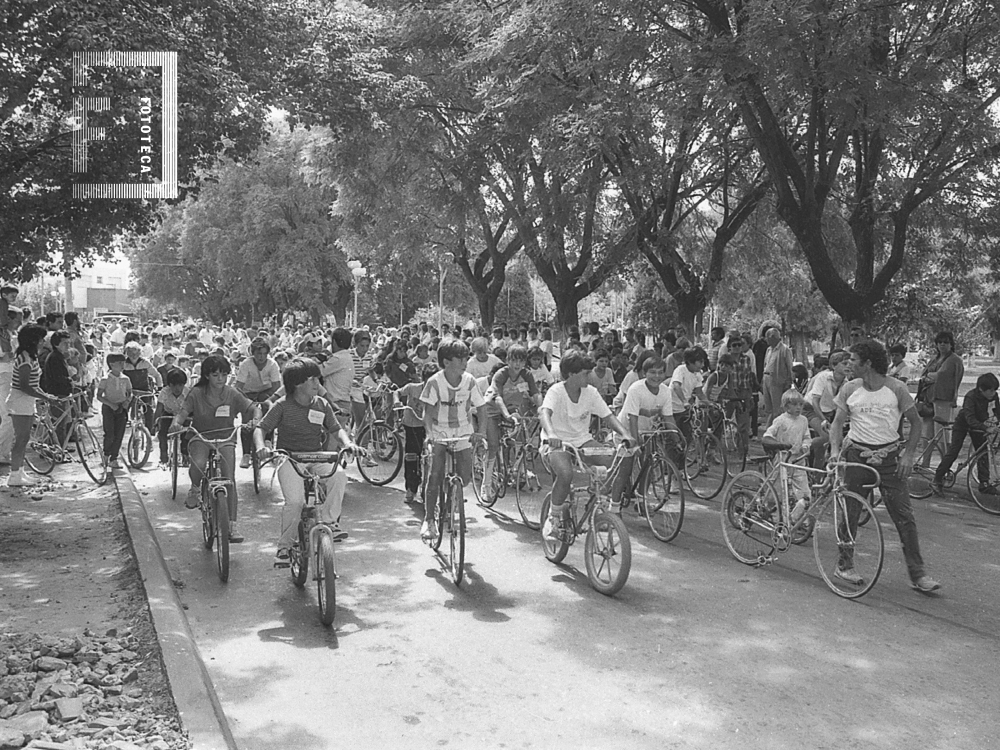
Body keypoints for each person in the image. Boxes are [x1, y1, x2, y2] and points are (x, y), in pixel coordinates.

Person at [830, 339, 941, 594]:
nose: (849, 365)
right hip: (857, 455)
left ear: (868, 363)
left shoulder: (896, 388)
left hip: (890, 459)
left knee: (904, 517)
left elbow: (915, 423)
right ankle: (844, 565)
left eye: (854, 361)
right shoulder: (849, 389)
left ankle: (918, 574)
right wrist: (835, 451)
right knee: (851, 512)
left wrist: (908, 455)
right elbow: (837, 423)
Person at [254, 357, 358, 565]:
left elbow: (336, 430)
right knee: (295, 502)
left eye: (317, 379)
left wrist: (348, 444)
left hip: (316, 457)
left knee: (338, 476)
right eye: (311, 379)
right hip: (290, 459)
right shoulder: (282, 406)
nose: (316, 384)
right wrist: (261, 447)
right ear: (296, 384)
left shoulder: (322, 404)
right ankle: (284, 547)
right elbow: (261, 428)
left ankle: (330, 522)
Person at [539, 351, 633, 540]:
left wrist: (625, 434)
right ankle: (553, 518)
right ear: (571, 374)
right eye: (584, 373)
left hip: (582, 440)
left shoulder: (590, 392)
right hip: (558, 441)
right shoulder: (556, 391)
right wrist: (551, 434)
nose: (589, 376)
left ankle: (600, 501)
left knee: (614, 461)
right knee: (565, 474)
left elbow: (608, 416)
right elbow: (544, 413)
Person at [169, 355, 260, 543]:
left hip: (225, 438)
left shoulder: (232, 393)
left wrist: (255, 420)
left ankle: (232, 526)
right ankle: (195, 489)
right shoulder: (196, 393)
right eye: (216, 374)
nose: (221, 379)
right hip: (200, 436)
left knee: (229, 479)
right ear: (207, 375)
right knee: (199, 463)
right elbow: (183, 413)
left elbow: (253, 407)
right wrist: (176, 424)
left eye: (224, 374)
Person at [418, 340, 487, 541]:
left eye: (466, 357)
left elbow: (481, 409)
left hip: (463, 432)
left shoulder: (470, 381)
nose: (465, 361)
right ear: (447, 362)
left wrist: (480, 432)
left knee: (465, 477)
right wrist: (430, 435)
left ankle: (450, 501)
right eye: (461, 358)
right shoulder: (434, 382)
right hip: (440, 432)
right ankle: (429, 520)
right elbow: (427, 415)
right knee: (435, 474)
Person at [610, 356, 671, 510]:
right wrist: (634, 443)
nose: (657, 376)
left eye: (660, 373)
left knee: (648, 468)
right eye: (652, 372)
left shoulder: (665, 391)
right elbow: (632, 419)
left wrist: (677, 436)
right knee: (625, 470)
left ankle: (641, 500)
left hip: (647, 432)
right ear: (644, 373)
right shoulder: (636, 389)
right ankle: (614, 507)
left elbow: (669, 417)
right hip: (625, 431)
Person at [482, 345, 541, 499]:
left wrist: (542, 409)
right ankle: (486, 484)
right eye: (514, 360)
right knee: (493, 446)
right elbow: (498, 397)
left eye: (521, 361)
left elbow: (535, 393)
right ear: (508, 360)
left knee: (520, 441)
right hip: (493, 411)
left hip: (514, 412)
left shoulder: (527, 375)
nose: (517, 364)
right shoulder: (501, 375)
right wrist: (506, 414)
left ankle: (516, 471)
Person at [4, 325, 56, 487]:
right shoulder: (25, 358)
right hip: (20, 401)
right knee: (21, 439)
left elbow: (34, 384)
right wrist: (44, 396)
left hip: (26, 402)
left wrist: (46, 396)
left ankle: (19, 471)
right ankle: (14, 475)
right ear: (33, 340)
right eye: (40, 339)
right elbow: (25, 386)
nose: (43, 342)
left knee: (25, 438)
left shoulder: (30, 357)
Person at [932, 373, 1000, 496]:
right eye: (990, 390)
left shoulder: (994, 397)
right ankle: (937, 479)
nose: (993, 393)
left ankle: (984, 483)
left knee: (982, 451)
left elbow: (997, 412)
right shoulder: (970, 397)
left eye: (995, 390)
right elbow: (970, 419)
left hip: (980, 424)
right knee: (954, 451)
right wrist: (985, 428)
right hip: (963, 424)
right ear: (981, 389)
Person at [761, 389, 813, 520]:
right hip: (783, 459)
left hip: (798, 460)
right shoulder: (780, 420)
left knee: (805, 492)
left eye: (800, 405)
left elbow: (807, 437)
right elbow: (768, 435)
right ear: (786, 406)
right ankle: (768, 509)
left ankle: (795, 518)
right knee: (777, 490)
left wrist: (806, 446)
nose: (798, 408)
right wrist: (778, 445)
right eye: (795, 405)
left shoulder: (803, 420)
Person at [234, 338, 281, 468]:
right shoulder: (246, 364)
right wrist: (243, 401)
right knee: (247, 418)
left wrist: (269, 399)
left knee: (269, 409)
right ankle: (246, 454)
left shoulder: (272, 364)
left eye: (264, 353)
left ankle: (268, 441)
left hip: (267, 391)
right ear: (253, 353)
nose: (261, 357)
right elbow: (239, 386)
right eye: (258, 354)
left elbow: (277, 386)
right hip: (248, 392)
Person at [397, 363, 437, 504]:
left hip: (429, 427)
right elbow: (397, 392)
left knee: (432, 456)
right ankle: (410, 488)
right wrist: (397, 402)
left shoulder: (438, 392)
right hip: (412, 425)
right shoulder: (412, 388)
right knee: (411, 456)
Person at [918, 331, 963, 447]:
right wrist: (930, 377)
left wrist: (930, 377)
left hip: (944, 399)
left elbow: (941, 376)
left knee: (942, 433)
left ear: (951, 344)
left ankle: (944, 462)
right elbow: (923, 375)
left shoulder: (955, 360)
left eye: (946, 342)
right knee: (926, 434)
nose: (942, 344)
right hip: (928, 399)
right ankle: (924, 463)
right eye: (940, 342)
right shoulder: (934, 359)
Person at [96, 353, 132, 471]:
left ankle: (114, 458)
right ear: (111, 364)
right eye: (120, 363)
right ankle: (106, 455)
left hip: (121, 408)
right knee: (109, 433)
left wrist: (127, 402)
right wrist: (111, 404)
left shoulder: (125, 379)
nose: (123, 365)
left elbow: (129, 392)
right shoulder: (105, 379)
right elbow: (99, 396)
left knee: (119, 433)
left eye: (123, 363)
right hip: (109, 408)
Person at [154, 368, 190, 467]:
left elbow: (193, 408)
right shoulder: (164, 392)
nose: (177, 388)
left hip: (184, 414)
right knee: (162, 434)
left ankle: (185, 454)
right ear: (169, 385)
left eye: (180, 385)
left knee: (186, 435)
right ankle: (164, 458)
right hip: (168, 413)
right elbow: (159, 409)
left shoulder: (188, 393)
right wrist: (156, 422)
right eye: (174, 385)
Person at [761, 327, 794, 429]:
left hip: (777, 380)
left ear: (772, 337)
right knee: (768, 408)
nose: (766, 340)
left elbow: (790, 367)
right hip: (766, 378)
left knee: (777, 408)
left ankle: (777, 430)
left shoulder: (785, 350)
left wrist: (789, 382)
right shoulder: (769, 349)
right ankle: (770, 429)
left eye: (767, 337)